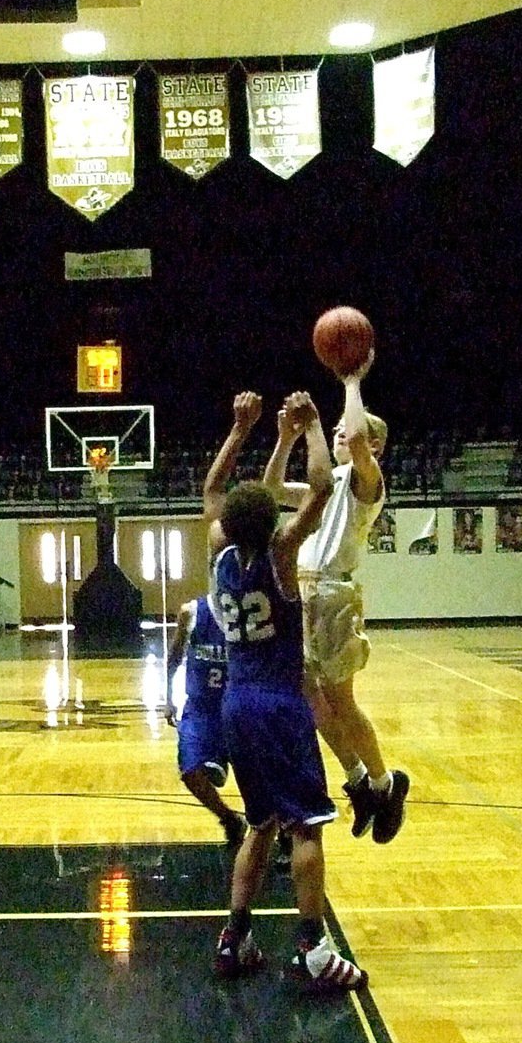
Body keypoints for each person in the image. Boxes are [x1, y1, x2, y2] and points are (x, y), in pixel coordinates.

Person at [205, 390, 367, 991]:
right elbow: (321, 489)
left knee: (260, 824)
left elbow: (212, 489)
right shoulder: (280, 556)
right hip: (279, 704)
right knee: (306, 827)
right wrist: (314, 427)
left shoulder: (219, 555)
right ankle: (312, 949)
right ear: (272, 522)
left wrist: (240, 430)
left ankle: (234, 937)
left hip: (236, 705)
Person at [262, 354, 409, 844]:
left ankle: (387, 783)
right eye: (338, 432)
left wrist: (351, 381)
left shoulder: (367, 482)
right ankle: (358, 780)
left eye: (349, 433)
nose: (342, 435)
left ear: (374, 446)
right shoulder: (325, 486)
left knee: (342, 701)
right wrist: (285, 438)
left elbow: (358, 438)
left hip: (332, 594)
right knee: (307, 696)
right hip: (303, 591)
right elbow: (271, 488)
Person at [165, 596, 247, 847]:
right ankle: (229, 819)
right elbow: (174, 656)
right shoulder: (191, 612)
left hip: (238, 708)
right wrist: (168, 698)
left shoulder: (248, 614)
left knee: (258, 777)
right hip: (201, 709)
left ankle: (282, 828)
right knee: (190, 770)